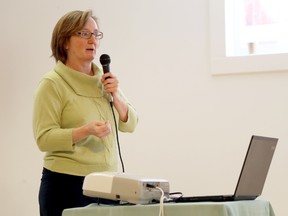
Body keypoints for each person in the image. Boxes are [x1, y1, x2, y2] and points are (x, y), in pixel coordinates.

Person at [32, 10, 138, 216]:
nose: (93, 40)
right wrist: (85, 131)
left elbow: (131, 123)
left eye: (96, 34)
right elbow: (43, 138)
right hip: (65, 184)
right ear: (65, 42)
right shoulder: (52, 83)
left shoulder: (104, 79)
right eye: (83, 34)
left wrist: (116, 96)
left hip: (107, 184)